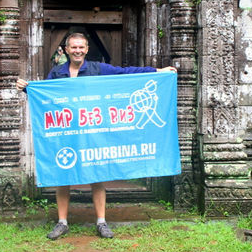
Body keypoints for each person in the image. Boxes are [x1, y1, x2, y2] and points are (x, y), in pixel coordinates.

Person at [16, 32, 177, 240]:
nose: (77, 51)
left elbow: (125, 73)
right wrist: (27, 88)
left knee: (97, 174)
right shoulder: (57, 73)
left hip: (92, 131)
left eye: (81, 47)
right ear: (66, 49)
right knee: (62, 176)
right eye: (73, 47)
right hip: (66, 132)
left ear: (87, 49)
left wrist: (157, 71)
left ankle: (101, 222)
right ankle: (62, 223)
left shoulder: (97, 69)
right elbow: (45, 97)